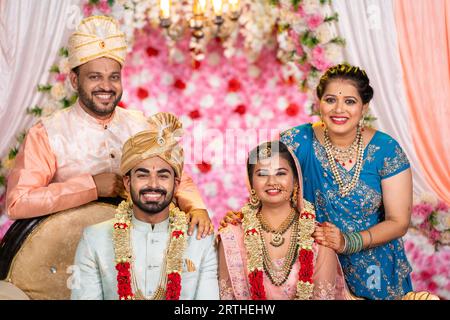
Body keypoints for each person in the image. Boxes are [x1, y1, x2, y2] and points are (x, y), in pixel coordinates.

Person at [5, 16, 212, 238]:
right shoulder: (48, 133)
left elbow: (176, 176)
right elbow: (18, 202)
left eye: (113, 77)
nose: (106, 86)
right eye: (95, 77)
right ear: (74, 80)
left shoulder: (141, 124)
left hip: (141, 249)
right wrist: (90, 186)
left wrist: (196, 207)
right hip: (70, 254)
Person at [221, 64, 413, 300]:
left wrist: (347, 242)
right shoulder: (296, 141)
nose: (339, 109)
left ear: (364, 107)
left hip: (375, 272)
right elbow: (269, 180)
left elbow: (399, 221)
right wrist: (246, 215)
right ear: (319, 102)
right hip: (314, 265)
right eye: (330, 100)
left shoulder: (386, 150)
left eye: (350, 102)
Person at [71, 112, 219, 300]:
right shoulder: (94, 238)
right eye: (142, 175)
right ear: (127, 182)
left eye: (163, 176)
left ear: (176, 184)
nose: (153, 184)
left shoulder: (200, 240)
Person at [218, 141, 349, 300]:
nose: (272, 182)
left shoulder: (318, 237)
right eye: (262, 174)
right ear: (251, 183)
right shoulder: (231, 236)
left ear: (295, 181)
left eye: (280, 173)